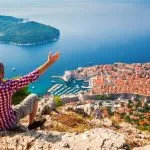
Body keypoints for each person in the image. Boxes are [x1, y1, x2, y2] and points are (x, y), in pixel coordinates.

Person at [0, 51, 60, 130]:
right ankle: (31, 124)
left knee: (13, 108)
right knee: (34, 97)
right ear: (3, 74)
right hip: (9, 124)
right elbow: (30, 77)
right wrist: (49, 63)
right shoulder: (7, 86)